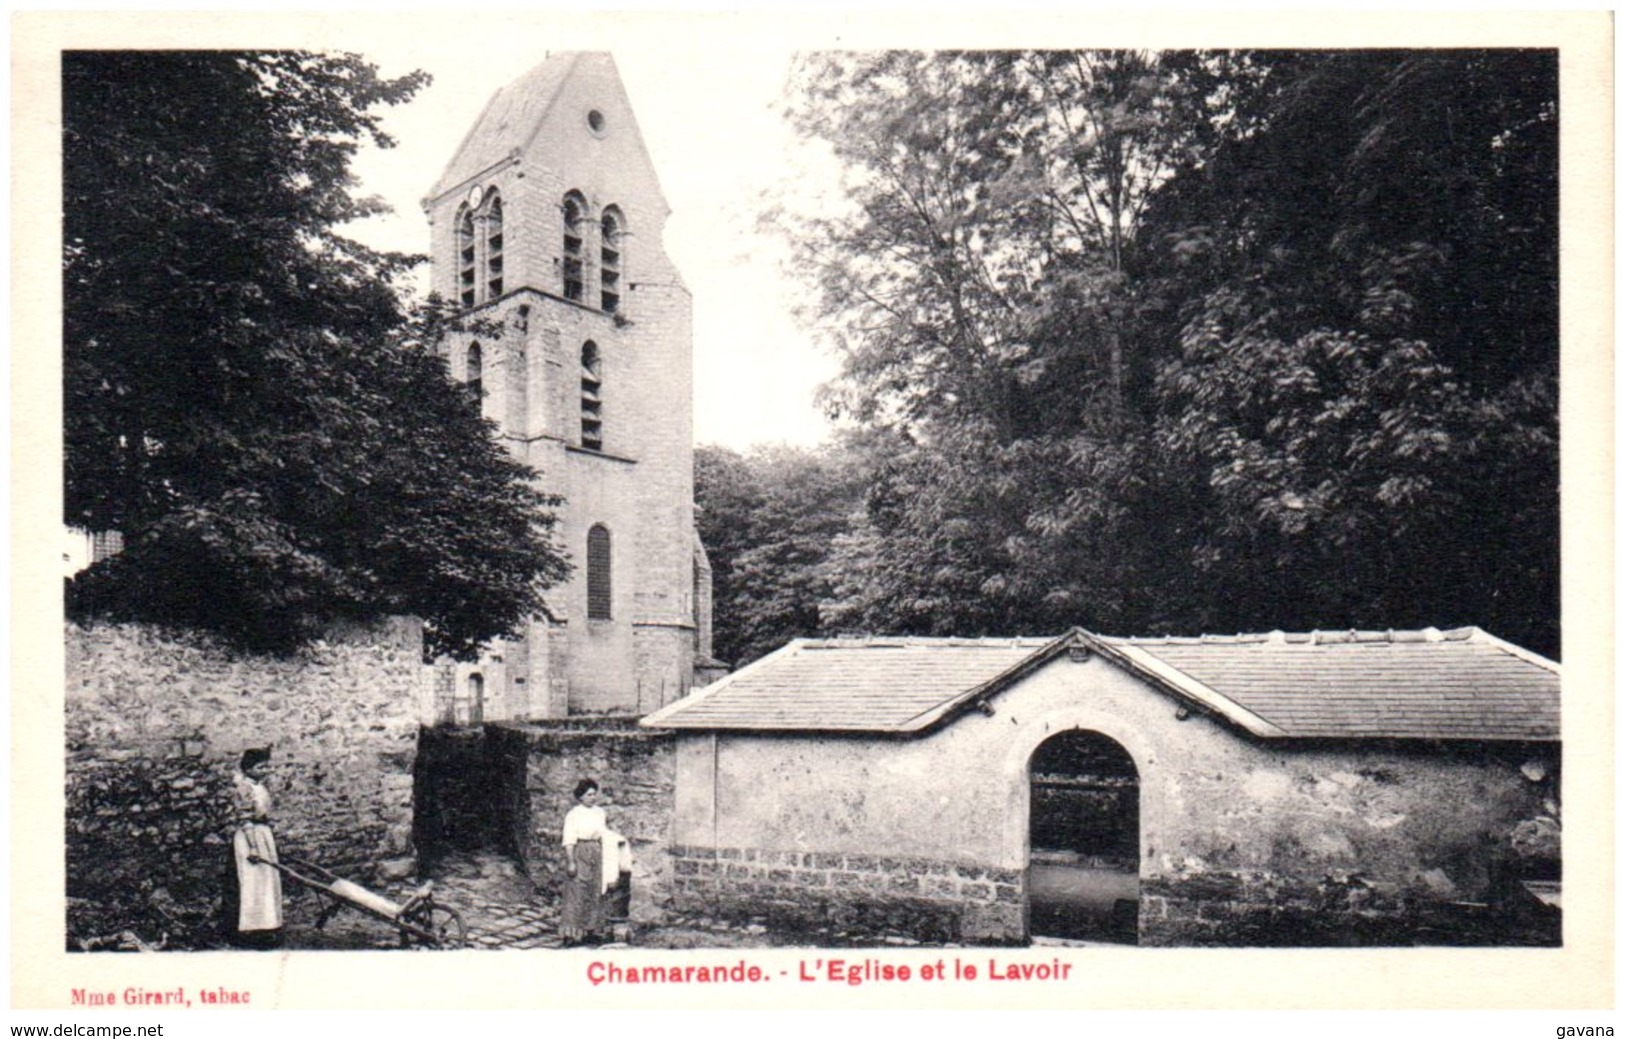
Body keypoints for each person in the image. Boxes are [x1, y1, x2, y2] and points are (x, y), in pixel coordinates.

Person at [559, 778, 627, 947]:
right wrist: (571, 861)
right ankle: (572, 934)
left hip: (596, 851)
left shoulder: (600, 813)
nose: (593, 797)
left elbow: (604, 835)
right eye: (589, 794)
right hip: (580, 850)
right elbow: (569, 840)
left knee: (595, 891)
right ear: (581, 797)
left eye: (594, 794)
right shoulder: (574, 814)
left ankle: (591, 931)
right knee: (577, 891)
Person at [226, 747, 283, 948]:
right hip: (250, 837)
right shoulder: (243, 788)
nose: (265, 770)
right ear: (248, 768)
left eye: (267, 766)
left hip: (263, 834)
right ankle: (251, 930)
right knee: (253, 883)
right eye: (261, 767)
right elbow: (245, 818)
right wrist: (253, 848)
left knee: (267, 881)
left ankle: (268, 926)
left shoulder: (260, 786)